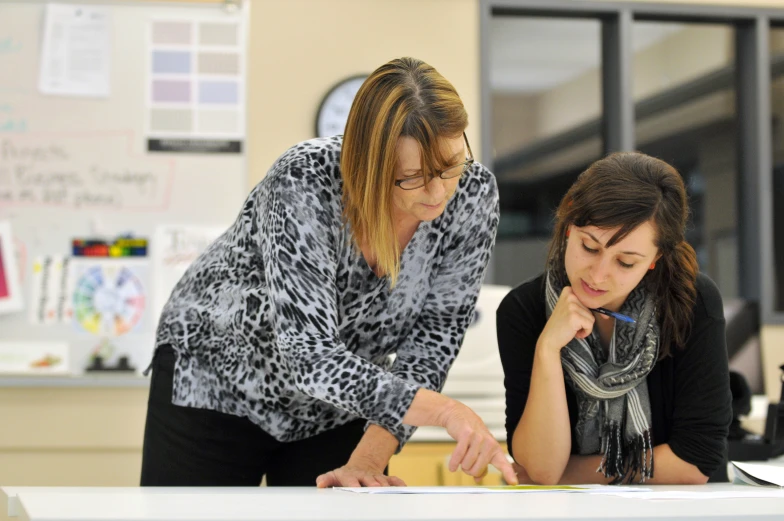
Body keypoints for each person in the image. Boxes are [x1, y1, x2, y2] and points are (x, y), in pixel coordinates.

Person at [140, 57, 517, 488]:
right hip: (217, 381)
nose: (437, 193)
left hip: (342, 403)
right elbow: (310, 354)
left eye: (449, 166)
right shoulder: (304, 181)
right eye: (411, 177)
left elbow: (435, 336)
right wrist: (446, 411)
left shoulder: (473, 194)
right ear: (369, 166)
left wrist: (370, 457)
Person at [497, 152, 732, 485]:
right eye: (589, 247)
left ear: (655, 258)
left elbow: (694, 463)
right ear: (567, 228)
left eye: (626, 262)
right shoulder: (522, 310)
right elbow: (541, 467)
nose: (598, 275)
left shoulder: (692, 302)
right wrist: (547, 348)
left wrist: (569, 473)